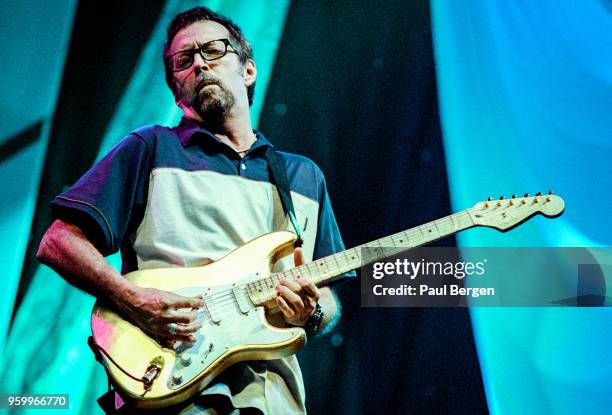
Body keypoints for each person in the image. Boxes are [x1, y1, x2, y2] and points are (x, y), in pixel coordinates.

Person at [36, 6, 353, 415]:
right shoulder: (149, 149)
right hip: (171, 387)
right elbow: (58, 241)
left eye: (214, 50)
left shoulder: (303, 177)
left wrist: (311, 312)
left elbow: (326, 297)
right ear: (176, 91)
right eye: (183, 61)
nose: (200, 63)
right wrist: (132, 299)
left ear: (249, 71)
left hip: (273, 399)